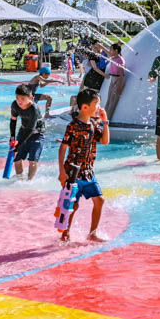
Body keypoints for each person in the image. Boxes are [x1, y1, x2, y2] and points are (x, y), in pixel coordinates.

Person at [57, 89, 109, 242]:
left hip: (88, 172)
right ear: (85, 107)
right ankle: (65, 234)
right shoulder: (73, 126)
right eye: (96, 104)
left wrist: (105, 122)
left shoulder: (93, 124)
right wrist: (62, 172)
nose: (99, 107)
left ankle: (92, 234)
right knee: (72, 205)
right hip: (73, 172)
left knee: (99, 200)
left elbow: (105, 141)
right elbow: (63, 148)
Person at [9, 84, 45, 180]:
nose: (19, 101)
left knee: (33, 160)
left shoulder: (34, 109)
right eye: (17, 98)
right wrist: (12, 137)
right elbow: (13, 121)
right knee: (17, 158)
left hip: (37, 134)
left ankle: (29, 180)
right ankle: (19, 179)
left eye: (22, 98)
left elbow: (31, 129)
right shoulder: (14, 105)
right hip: (24, 131)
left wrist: (19, 144)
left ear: (30, 98)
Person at [103, 43, 126, 119]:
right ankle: (103, 118)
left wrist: (119, 86)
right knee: (109, 100)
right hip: (113, 79)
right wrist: (100, 46)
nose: (110, 51)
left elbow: (121, 74)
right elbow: (108, 53)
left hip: (118, 80)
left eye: (111, 49)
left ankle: (107, 120)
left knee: (113, 102)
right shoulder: (113, 58)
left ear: (116, 51)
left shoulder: (120, 60)